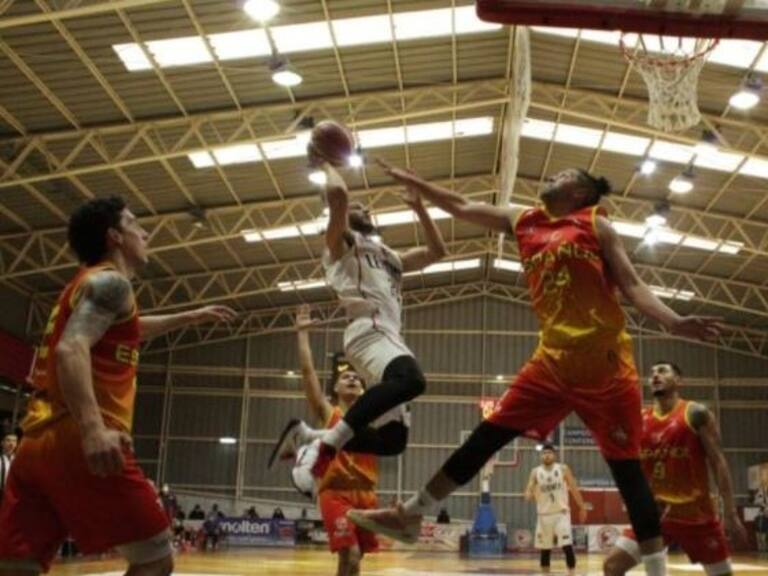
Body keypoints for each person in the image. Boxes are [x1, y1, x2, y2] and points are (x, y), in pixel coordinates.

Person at [348, 164, 721, 576]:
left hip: (605, 366)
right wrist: (415, 180)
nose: (550, 178)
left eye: (562, 176)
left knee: (628, 472)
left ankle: (656, 572)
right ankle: (413, 513)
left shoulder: (597, 225)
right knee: (485, 436)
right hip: (551, 362)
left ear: (579, 192)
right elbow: (461, 205)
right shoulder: (523, 219)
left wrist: (673, 321)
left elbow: (632, 285)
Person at [0, 196, 236, 576]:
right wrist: (93, 429)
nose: (145, 232)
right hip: (77, 438)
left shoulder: (87, 287)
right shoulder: (112, 282)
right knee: (155, 560)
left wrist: (190, 316)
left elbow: (127, 328)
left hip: (34, 441)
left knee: (17, 566)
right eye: (135, 224)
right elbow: (71, 348)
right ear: (115, 237)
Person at [272, 162, 447, 488]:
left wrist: (420, 208)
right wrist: (326, 161)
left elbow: (439, 251)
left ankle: (310, 438)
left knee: (393, 441)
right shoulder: (339, 246)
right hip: (369, 329)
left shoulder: (389, 256)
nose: (364, 209)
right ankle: (325, 450)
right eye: (357, 207)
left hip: (389, 337)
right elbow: (338, 195)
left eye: (367, 208)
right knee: (412, 380)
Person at [604, 361, 749, 576]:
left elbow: (718, 461)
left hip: (695, 515)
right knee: (612, 566)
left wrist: (730, 512)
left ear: (679, 380)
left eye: (662, 371)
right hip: (655, 515)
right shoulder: (640, 419)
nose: (654, 376)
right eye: (652, 373)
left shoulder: (696, 413)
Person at [287, 304, 381, 576]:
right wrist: (302, 335)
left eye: (356, 377)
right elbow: (308, 374)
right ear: (336, 389)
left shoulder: (373, 417)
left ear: (363, 390)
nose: (351, 378)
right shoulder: (330, 414)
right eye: (345, 377)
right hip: (335, 492)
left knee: (354, 561)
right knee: (349, 554)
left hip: (366, 494)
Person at [524, 444, 586, 575]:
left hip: (561, 513)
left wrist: (582, 507)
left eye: (549, 453)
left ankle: (572, 573)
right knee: (545, 550)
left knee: (567, 546)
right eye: (544, 453)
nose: (546, 455)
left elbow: (574, 489)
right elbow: (528, 489)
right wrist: (528, 494)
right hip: (543, 515)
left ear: (554, 455)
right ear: (541, 456)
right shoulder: (535, 472)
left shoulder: (563, 469)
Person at [0, 433, 17, 504]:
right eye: (8, 440)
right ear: (2, 443)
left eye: (14, 441)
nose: (11, 444)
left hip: (15, 500)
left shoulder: (19, 460)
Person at [754, 466, 768, 553]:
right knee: (761, 532)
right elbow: (756, 501)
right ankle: (762, 548)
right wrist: (764, 506)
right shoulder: (761, 490)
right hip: (762, 514)